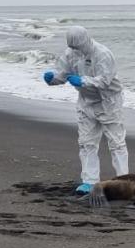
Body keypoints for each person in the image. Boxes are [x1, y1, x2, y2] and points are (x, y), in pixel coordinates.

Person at [43, 26, 129, 194]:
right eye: (72, 47)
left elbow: (104, 81)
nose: (75, 50)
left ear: (85, 40)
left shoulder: (103, 54)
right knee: (86, 142)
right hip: (86, 102)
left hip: (108, 101)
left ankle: (123, 180)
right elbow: (63, 75)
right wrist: (52, 79)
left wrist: (83, 81)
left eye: (77, 46)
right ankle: (89, 181)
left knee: (116, 143)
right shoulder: (70, 54)